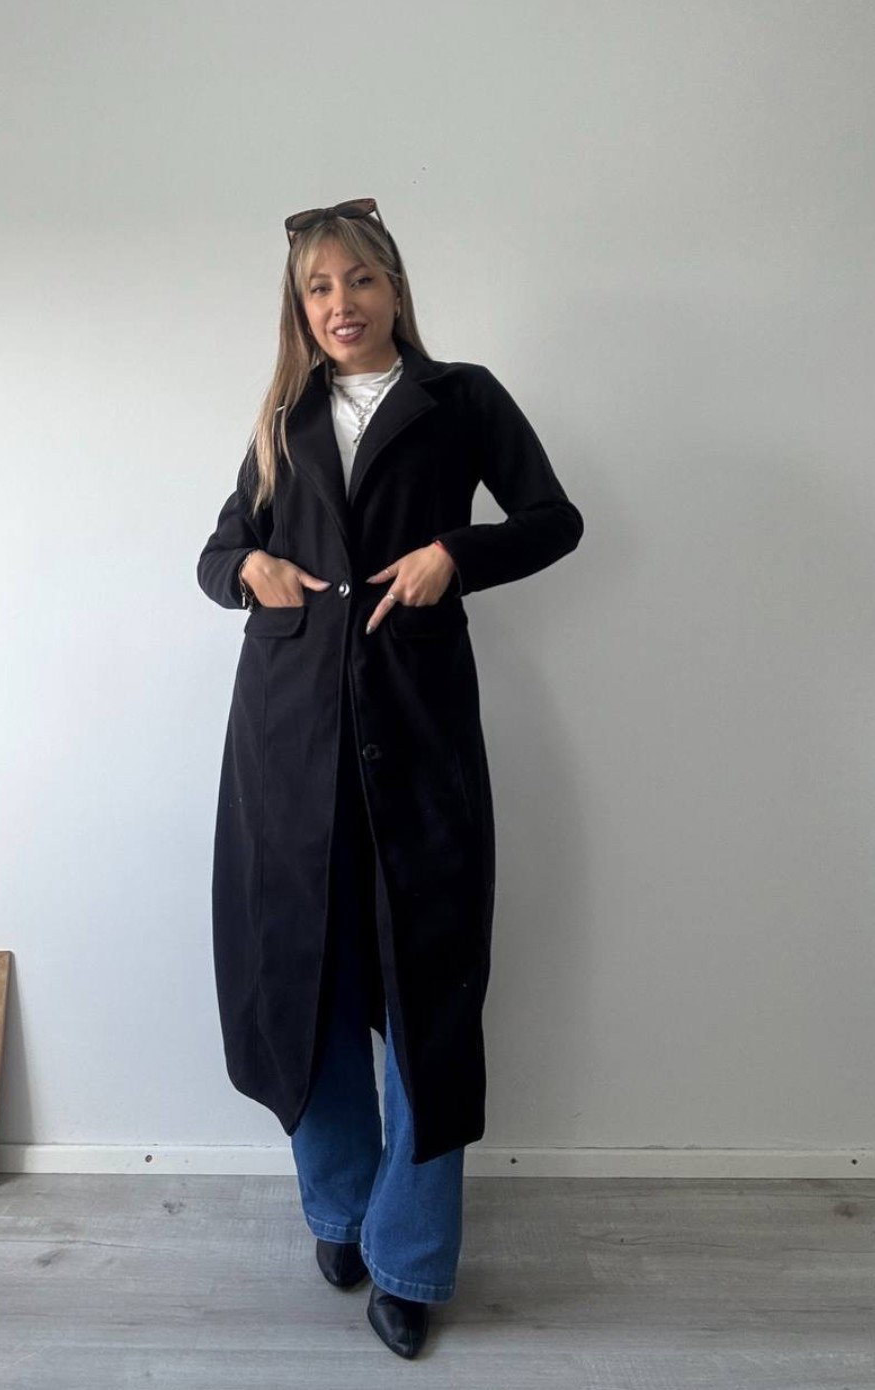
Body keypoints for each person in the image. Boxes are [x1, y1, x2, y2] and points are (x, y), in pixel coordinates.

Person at [196, 198, 584, 1358]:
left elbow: (554, 520)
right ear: (299, 308)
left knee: (427, 982)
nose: (342, 304)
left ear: (396, 289)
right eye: (319, 288)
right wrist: (252, 569)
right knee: (302, 968)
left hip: (417, 729)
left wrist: (453, 555)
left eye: (360, 280)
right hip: (287, 732)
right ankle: (340, 1208)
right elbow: (216, 552)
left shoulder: (461, 399)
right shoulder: (283, 417)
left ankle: (410, 1255)